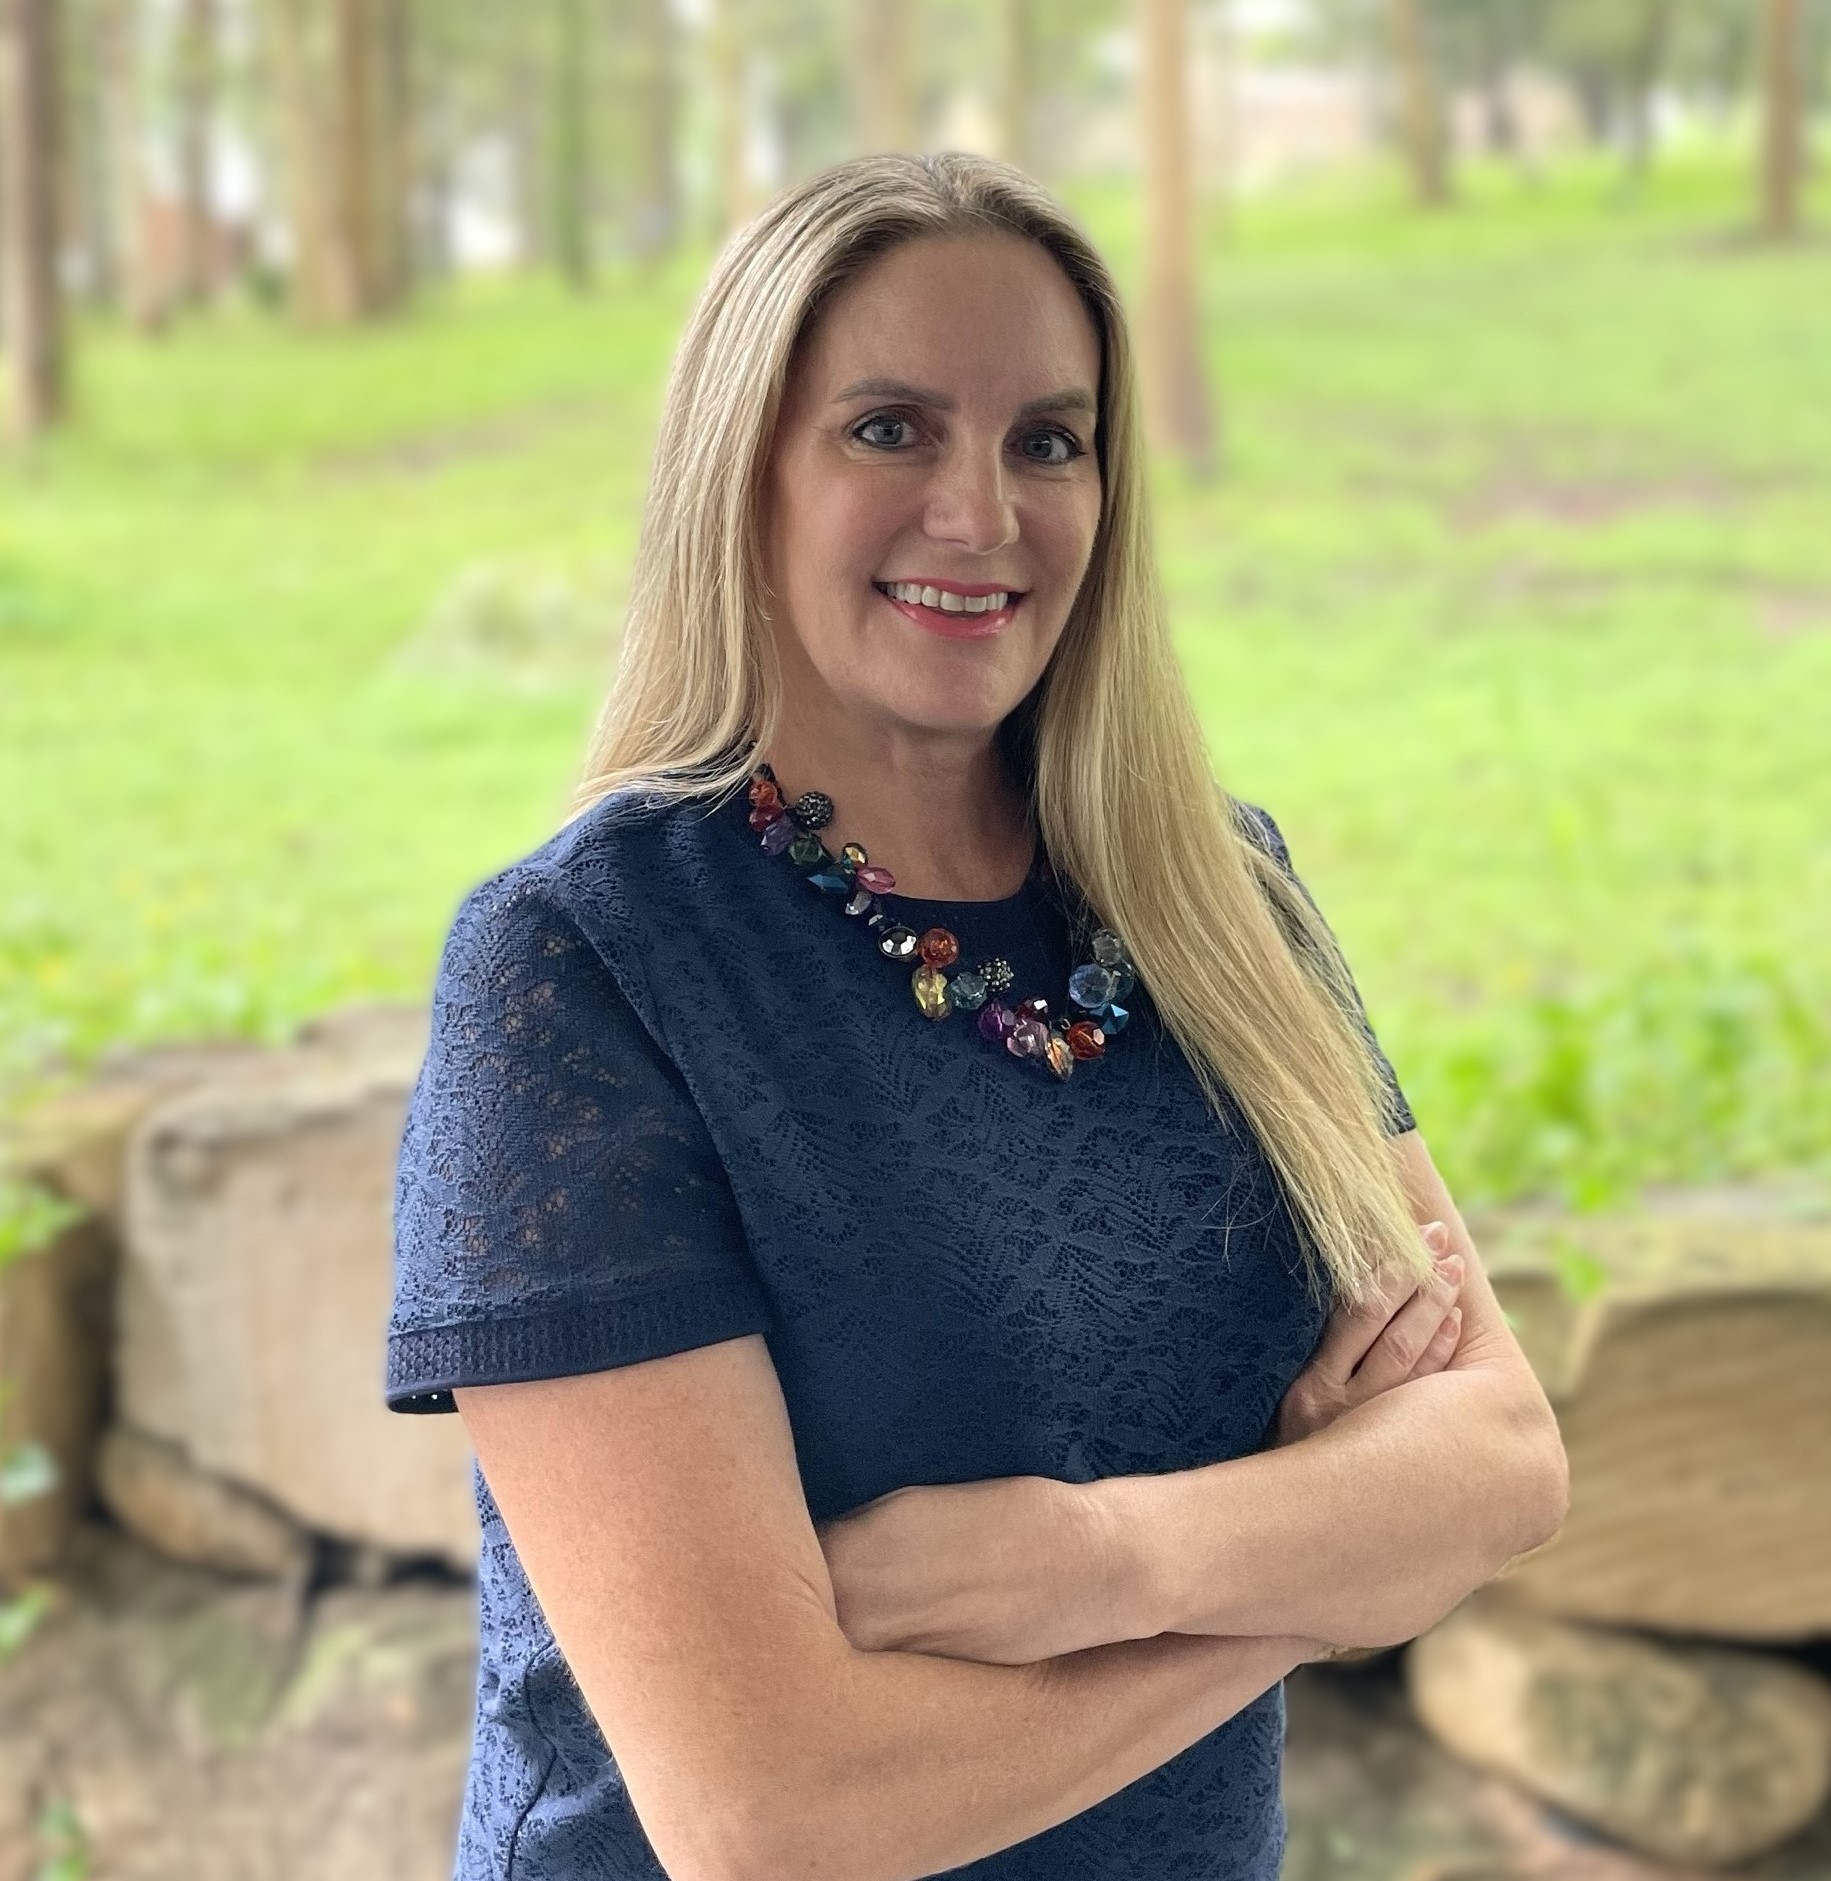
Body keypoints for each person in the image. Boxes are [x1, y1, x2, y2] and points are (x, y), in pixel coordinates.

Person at [385, 152, 1568, 1881]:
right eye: (888, 428)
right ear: (746, 470)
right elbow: (774, 1811)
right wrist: (1316, 1572)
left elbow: (1505, 1455)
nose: (982, 512)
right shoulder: (585, 962)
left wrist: (1098, 1560)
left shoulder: (1217, 900)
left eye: (1048, 439)